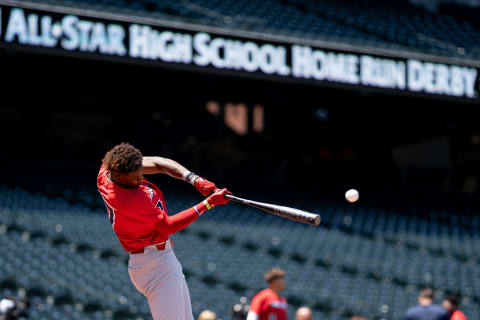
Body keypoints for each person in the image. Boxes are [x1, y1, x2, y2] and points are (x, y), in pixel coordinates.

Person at [97, 143, 231, 320]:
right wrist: (209, 203)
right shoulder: (130, 200)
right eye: (135, 178)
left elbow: (160, 164)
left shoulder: (108, 170)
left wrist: (194, 179)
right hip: (155, 265)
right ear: (119, 177)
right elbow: (170, 225)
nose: (140, 180)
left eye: (141, 175)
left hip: (159, 259)